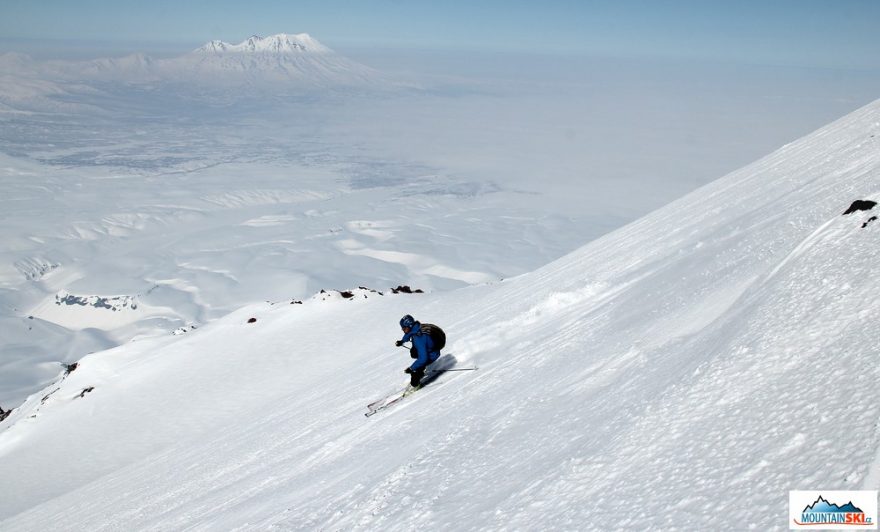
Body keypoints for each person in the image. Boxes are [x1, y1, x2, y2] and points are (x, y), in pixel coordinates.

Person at [395, 314, 445, 388]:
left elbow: (423, 358)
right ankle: (419, 369)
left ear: (410, 326)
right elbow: (409, 333)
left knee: (416, 371)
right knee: (414, 352)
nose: (403, 330)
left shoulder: (419, 339)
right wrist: (402, 341)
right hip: (429, 348)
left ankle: (415, 383)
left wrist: (411, 368)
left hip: (432, 355)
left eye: (404, 328)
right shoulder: (417, 327)